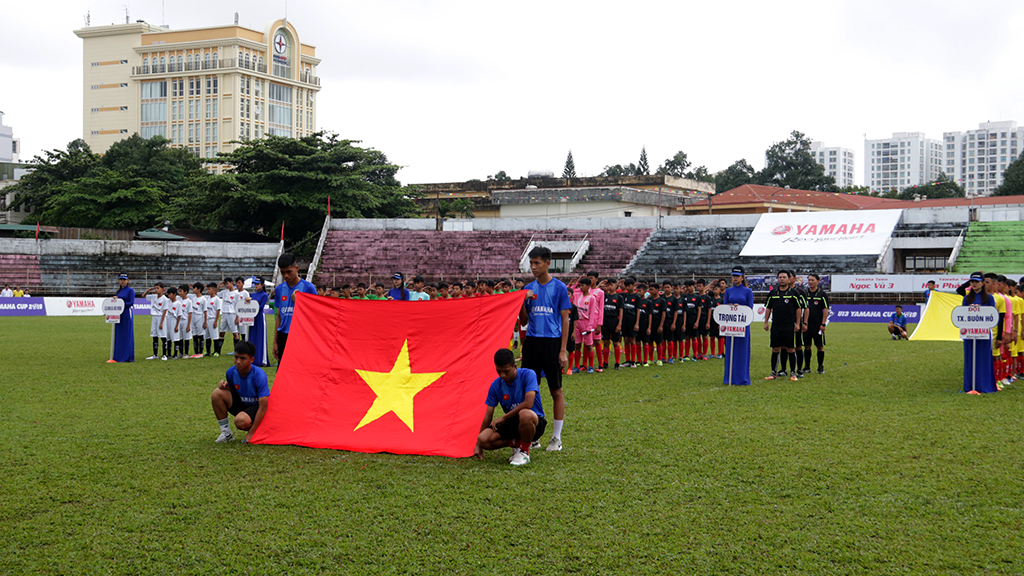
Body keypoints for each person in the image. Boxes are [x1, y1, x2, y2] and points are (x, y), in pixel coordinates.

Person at [520, 246, 571, 451]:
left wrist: (562, 350)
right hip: (532, 342)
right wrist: (522, 303)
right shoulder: (528, 289)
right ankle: (534, 434)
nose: (533, 267)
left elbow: (565, 319)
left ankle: (556, 438)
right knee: (531, 390)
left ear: (547, 263)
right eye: (531, 263)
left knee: (555, 389)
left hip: (552, 342)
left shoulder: (559, 287)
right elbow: (523, 321)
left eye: (537, 263)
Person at [474, 348, 546, 466]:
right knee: (483, 439)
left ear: (515, 366)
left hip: (534, 421)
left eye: (506, 371)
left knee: (525, 414)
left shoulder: (528, 374)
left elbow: (528, 403)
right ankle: (517, 443)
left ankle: (524, 452)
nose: (503, 375)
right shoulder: (495, 385)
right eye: (499, 371)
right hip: (513, 423)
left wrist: (503, 418)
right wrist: (478, 444)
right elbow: (488, 415)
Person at [211, 340, 270, 443]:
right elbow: (234, 390)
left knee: (241, 421)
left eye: (242, 358)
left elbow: (264, 406)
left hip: (256, 408)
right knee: (217, 393)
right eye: (236, 357)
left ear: (252, 359)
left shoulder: (259, 375)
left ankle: (259, 430)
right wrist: (225, 386)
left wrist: (251, 432)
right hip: (242, 404)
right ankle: (226, 433)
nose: (238, 361)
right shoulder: (230, 372)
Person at [956, 272, 998, 393]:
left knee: (984, 358)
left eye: (977, 281)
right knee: (970, 358)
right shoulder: (966, 298)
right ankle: (970, 385)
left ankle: (984, 385)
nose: (974, 284)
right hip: (969, 333)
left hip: (984, 333)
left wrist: (980, 311)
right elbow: (962, 315)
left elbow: (993, 316)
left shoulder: (989, 298)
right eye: (972, 281)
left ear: (982, 283)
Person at [274, 252, 318, 363]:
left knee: (301, 370)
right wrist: (275, 342)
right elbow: (279, 316)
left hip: (302, 336)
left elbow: (315, 314)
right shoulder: (279, 289)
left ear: (297, 268)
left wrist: (299, 302)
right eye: (283, 272)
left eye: (289, 272)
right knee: (283, 371)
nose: (286, 276)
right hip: (283, 336)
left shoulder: (308, 287)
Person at [763, 270, 804, 381]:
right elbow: (768, 308)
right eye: (780, 277)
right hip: (776, 325)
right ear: (778, 279)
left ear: (788, 279)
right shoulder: (773, 293)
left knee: (790, 349)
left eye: (784, 277)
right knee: (775, 349)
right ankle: (773, 373)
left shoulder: (794, 293)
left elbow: (798, 309)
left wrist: (798, 323)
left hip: (789, 325)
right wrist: (766, 322)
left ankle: (793, 373)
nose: (782, 279)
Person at [724, 267, 754, 385]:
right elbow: (725, 305)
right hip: (731, 323)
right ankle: (729, 377)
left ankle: (742, 377)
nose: (735, 278)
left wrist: (739, 308)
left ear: (742, 277)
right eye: (733, 276)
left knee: (742, 350)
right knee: (730, 349)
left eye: (737, 276)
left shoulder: (748, 291)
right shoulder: (728, 291)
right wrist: (731, 306)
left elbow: (750, 308)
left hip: (743, 324)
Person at [802, 273, 830, 374]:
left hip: (818, 324)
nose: (810, 282)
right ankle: (807, 367)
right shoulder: (805, 294)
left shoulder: (822, 294)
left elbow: (826, 309)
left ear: (817, 281)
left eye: (812, 280)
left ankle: (820, 367)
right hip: (806, 324)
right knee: (807, 346)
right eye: (809, 280)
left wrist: (823, 324)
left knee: (819, 346)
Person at [572, 277, 599, 374]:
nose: (580, 287)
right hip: (577, 322)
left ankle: (590, 366)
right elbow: (569, 290)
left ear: (588, 286)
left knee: (589, 345)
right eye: (580, 285)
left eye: (582, 285)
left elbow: (592, 314)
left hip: (586, 323)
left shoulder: (591, 298)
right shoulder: (577, 295)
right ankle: (576, 366)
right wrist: (575, 283)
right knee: (577, 345)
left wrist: (589, 327)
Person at [110, 273, 135, 363]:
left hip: (126, 313)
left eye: (124, 280)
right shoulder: (118, 291)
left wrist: (121, 303)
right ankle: (118, 355)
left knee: (127, 334)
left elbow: (131, 303)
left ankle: (127, 355)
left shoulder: (130, 291)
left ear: (127, 280)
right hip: (119, 314)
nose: (122, 281)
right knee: (119, 334)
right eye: (121, 279)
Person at [247, 277, 271, 367]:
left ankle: (262, 359)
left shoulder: (264, 295)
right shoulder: (252, 294)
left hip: (260, 317)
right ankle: (251, 358)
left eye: (258, 284)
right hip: (252, 318)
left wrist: (252, 302)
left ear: (262, 285)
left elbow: (261, 307)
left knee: (260, 338)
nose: (256, 286)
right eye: (255, 284)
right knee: (252, 337)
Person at [142, 283, 169, 360]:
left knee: (163, 337)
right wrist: (148, 291)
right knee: (155, 336)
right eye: (155, 288)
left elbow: (164, 311)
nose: (156, 290)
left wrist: (161, 323)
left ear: (162, 290)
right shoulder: (153, 297)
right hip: (154, 317)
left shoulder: (165, 299)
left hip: (161, 318)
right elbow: (143, 296)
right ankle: (155, 354)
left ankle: (164, 355)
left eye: (158, 288)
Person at [600, 279, 623, 369]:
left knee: (616, 342)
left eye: (611, 285)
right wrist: (600, 285)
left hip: (614, 321)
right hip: (605, 321)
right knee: (606, 342)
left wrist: (619, 324)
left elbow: (621, 311)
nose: (609, 287)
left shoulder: (619, 297)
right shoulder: (604, 296)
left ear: (616, 285)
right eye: (608, 285)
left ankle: (617, 363)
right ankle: (605, 362)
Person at [618, 278, 640, 368]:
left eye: (629, 285)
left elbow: (638, 310)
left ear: (634, 285)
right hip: (625, 320)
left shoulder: (637, 297)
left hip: (632, 320)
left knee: (632, 339)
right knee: (626, 339)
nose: (628, 287)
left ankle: (633, 361)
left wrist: (637, 323)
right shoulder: (624, 295)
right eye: (626, 286)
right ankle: (627, 360)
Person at [205, 283, 222, 356]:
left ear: (214, 290)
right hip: (207, 319)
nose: (208, 291)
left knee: (215, 336)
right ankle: (208, 351)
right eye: (207, 289)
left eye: (209, 289)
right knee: (207, 336)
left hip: (213, 319)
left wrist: (216, 321)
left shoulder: (217, 299)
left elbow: (218, 310)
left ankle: (217, 351)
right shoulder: (207, 298)